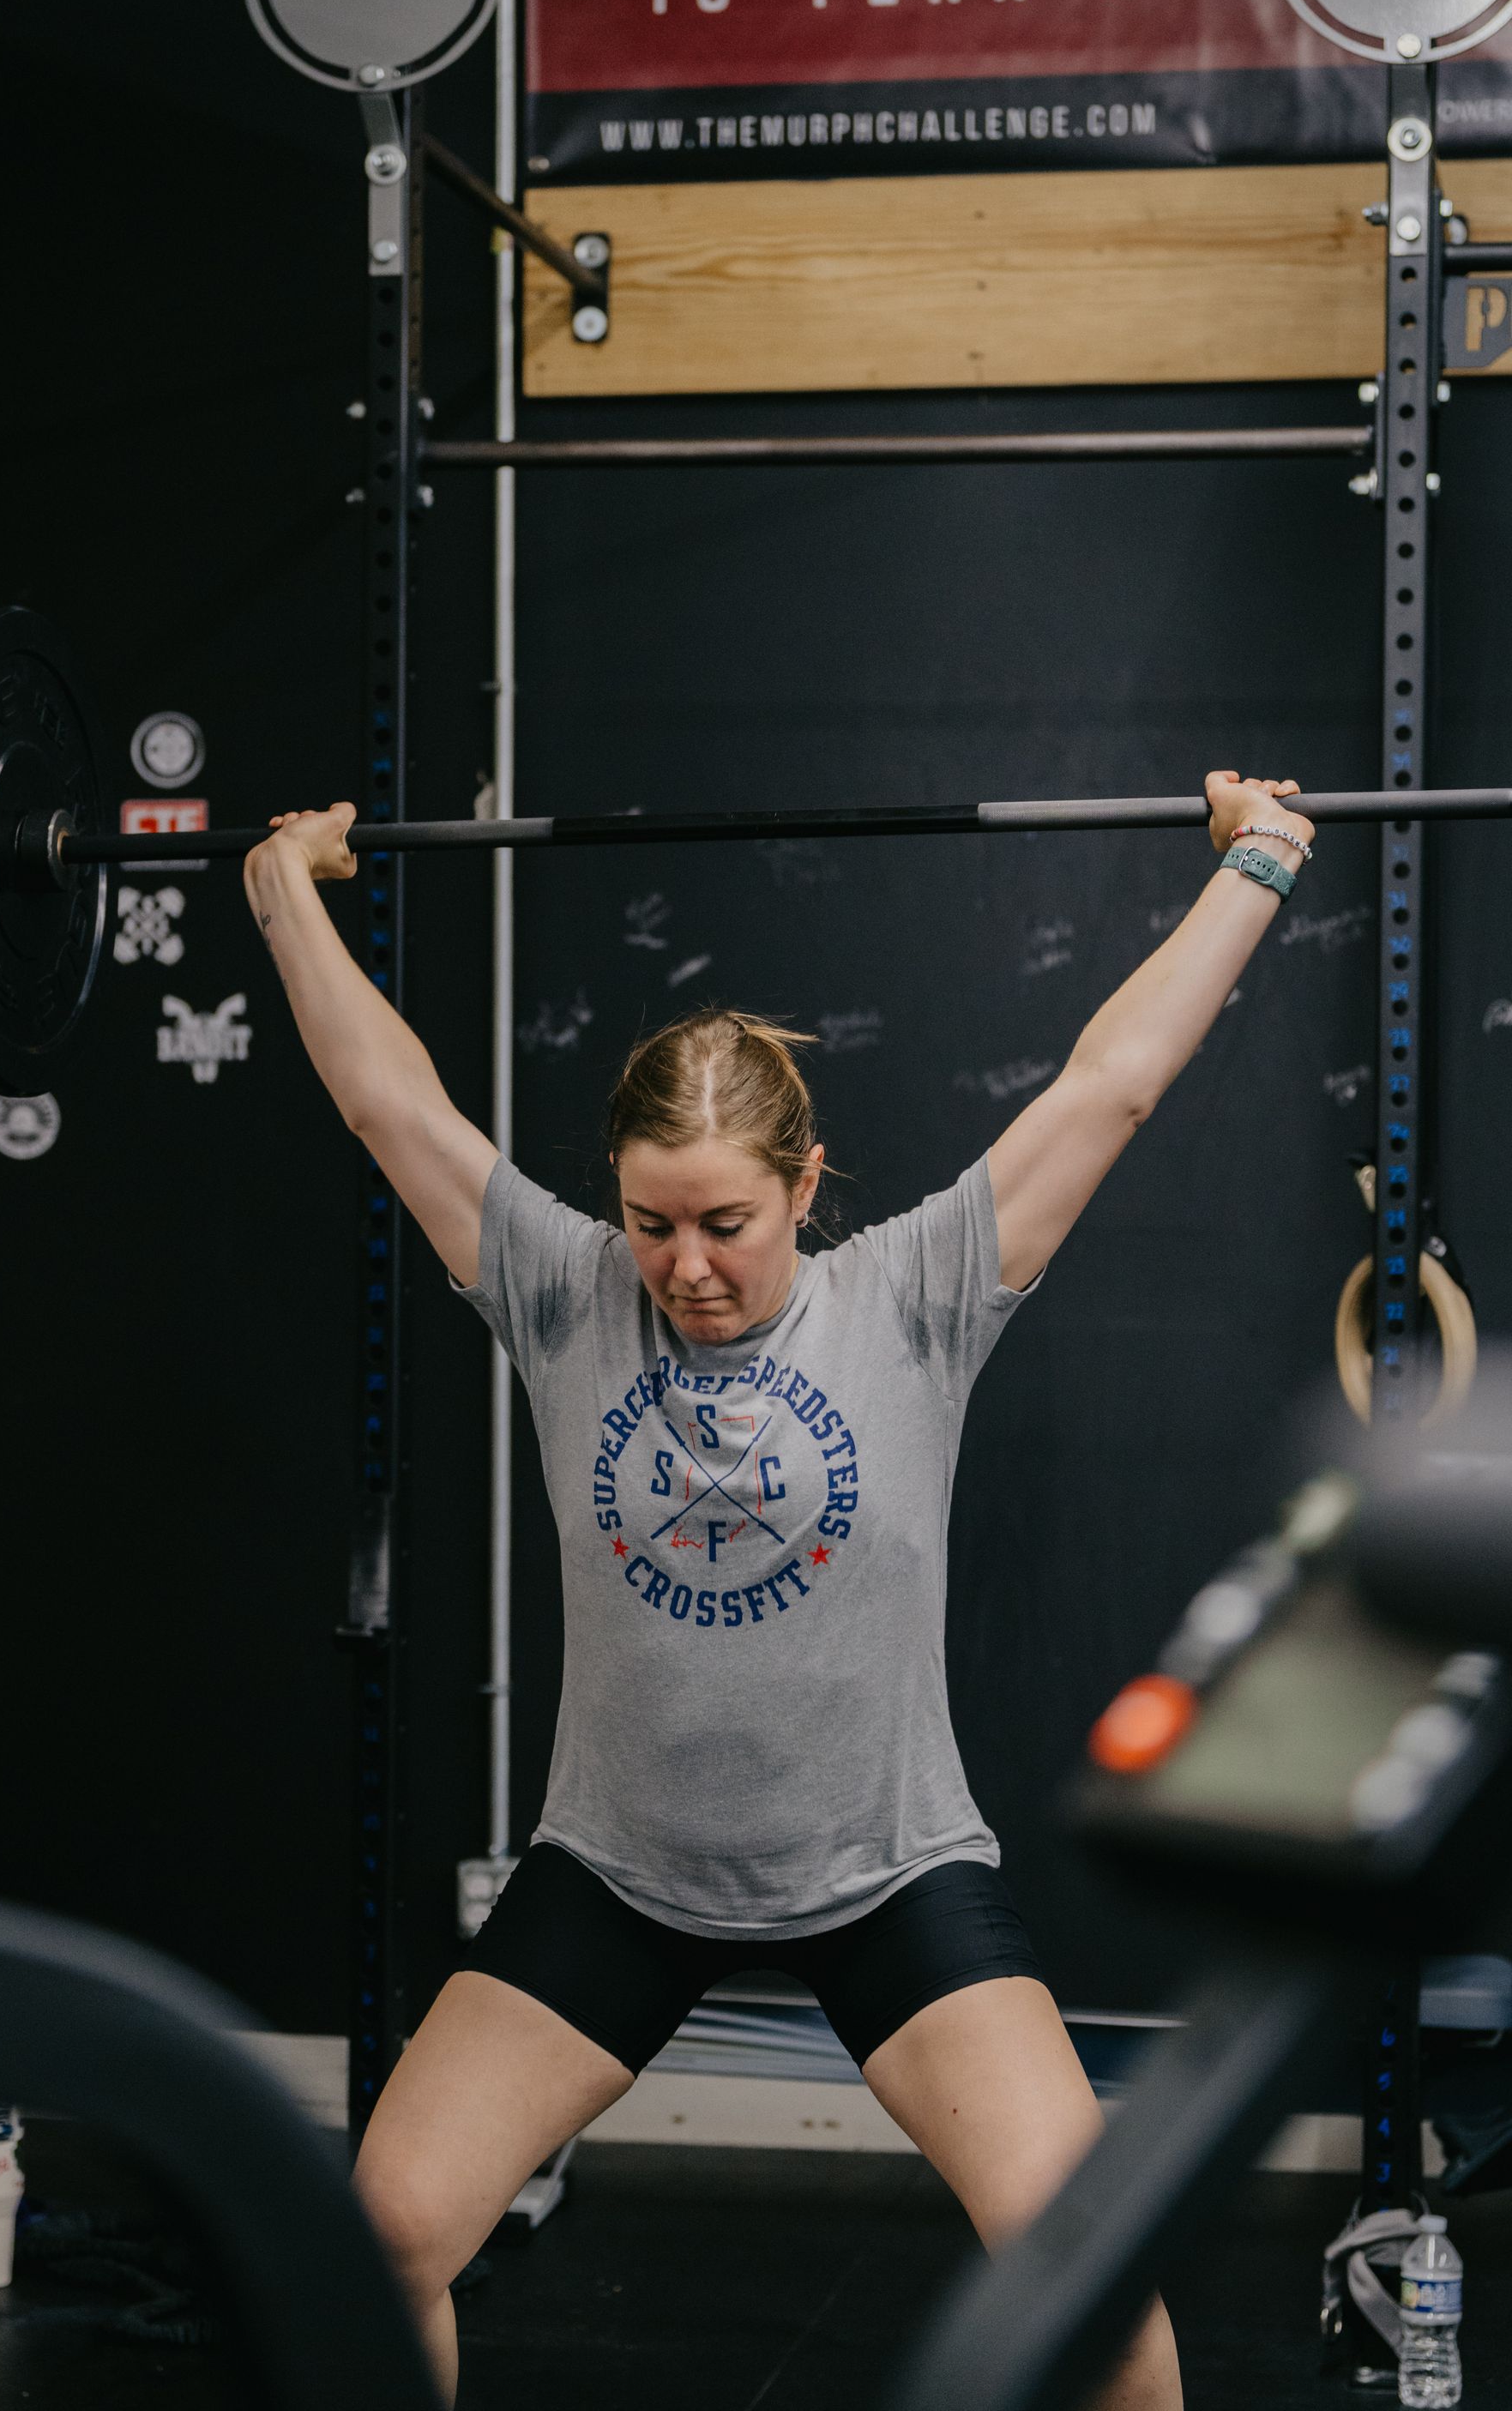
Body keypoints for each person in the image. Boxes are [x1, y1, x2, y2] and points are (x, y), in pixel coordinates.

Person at [244, 772, 1316, 2408]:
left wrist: (1261, 857)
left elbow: (1113, 1085)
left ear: (808, 1185)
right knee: (384, 2231)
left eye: (727, 1223)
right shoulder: (562, 1293)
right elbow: (390, 1104)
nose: (687, 1266)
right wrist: (280, 887)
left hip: (888, 1875)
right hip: (619, 1876)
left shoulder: (918, 1295)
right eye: (651, 1222)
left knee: (1089, 2280)